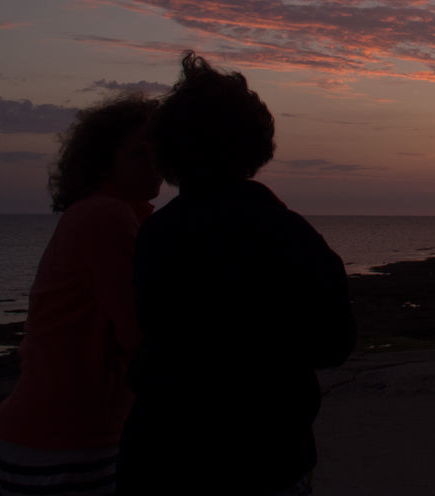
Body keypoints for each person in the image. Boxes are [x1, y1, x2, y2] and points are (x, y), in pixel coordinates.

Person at [116, 52, 354, 496]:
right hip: (265, 461)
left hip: (162, 457)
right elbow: (334, 344)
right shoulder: (290, 235)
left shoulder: (156, 235)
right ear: (255, 144)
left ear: (169, 151)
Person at [0, 93, 160, 496]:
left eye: (157, 150)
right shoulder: (107, 216)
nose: (154, 163)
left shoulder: (104, 214)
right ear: (103, 162)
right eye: (139, 153)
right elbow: (140, 333)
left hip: (53, 436)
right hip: (61, 445)